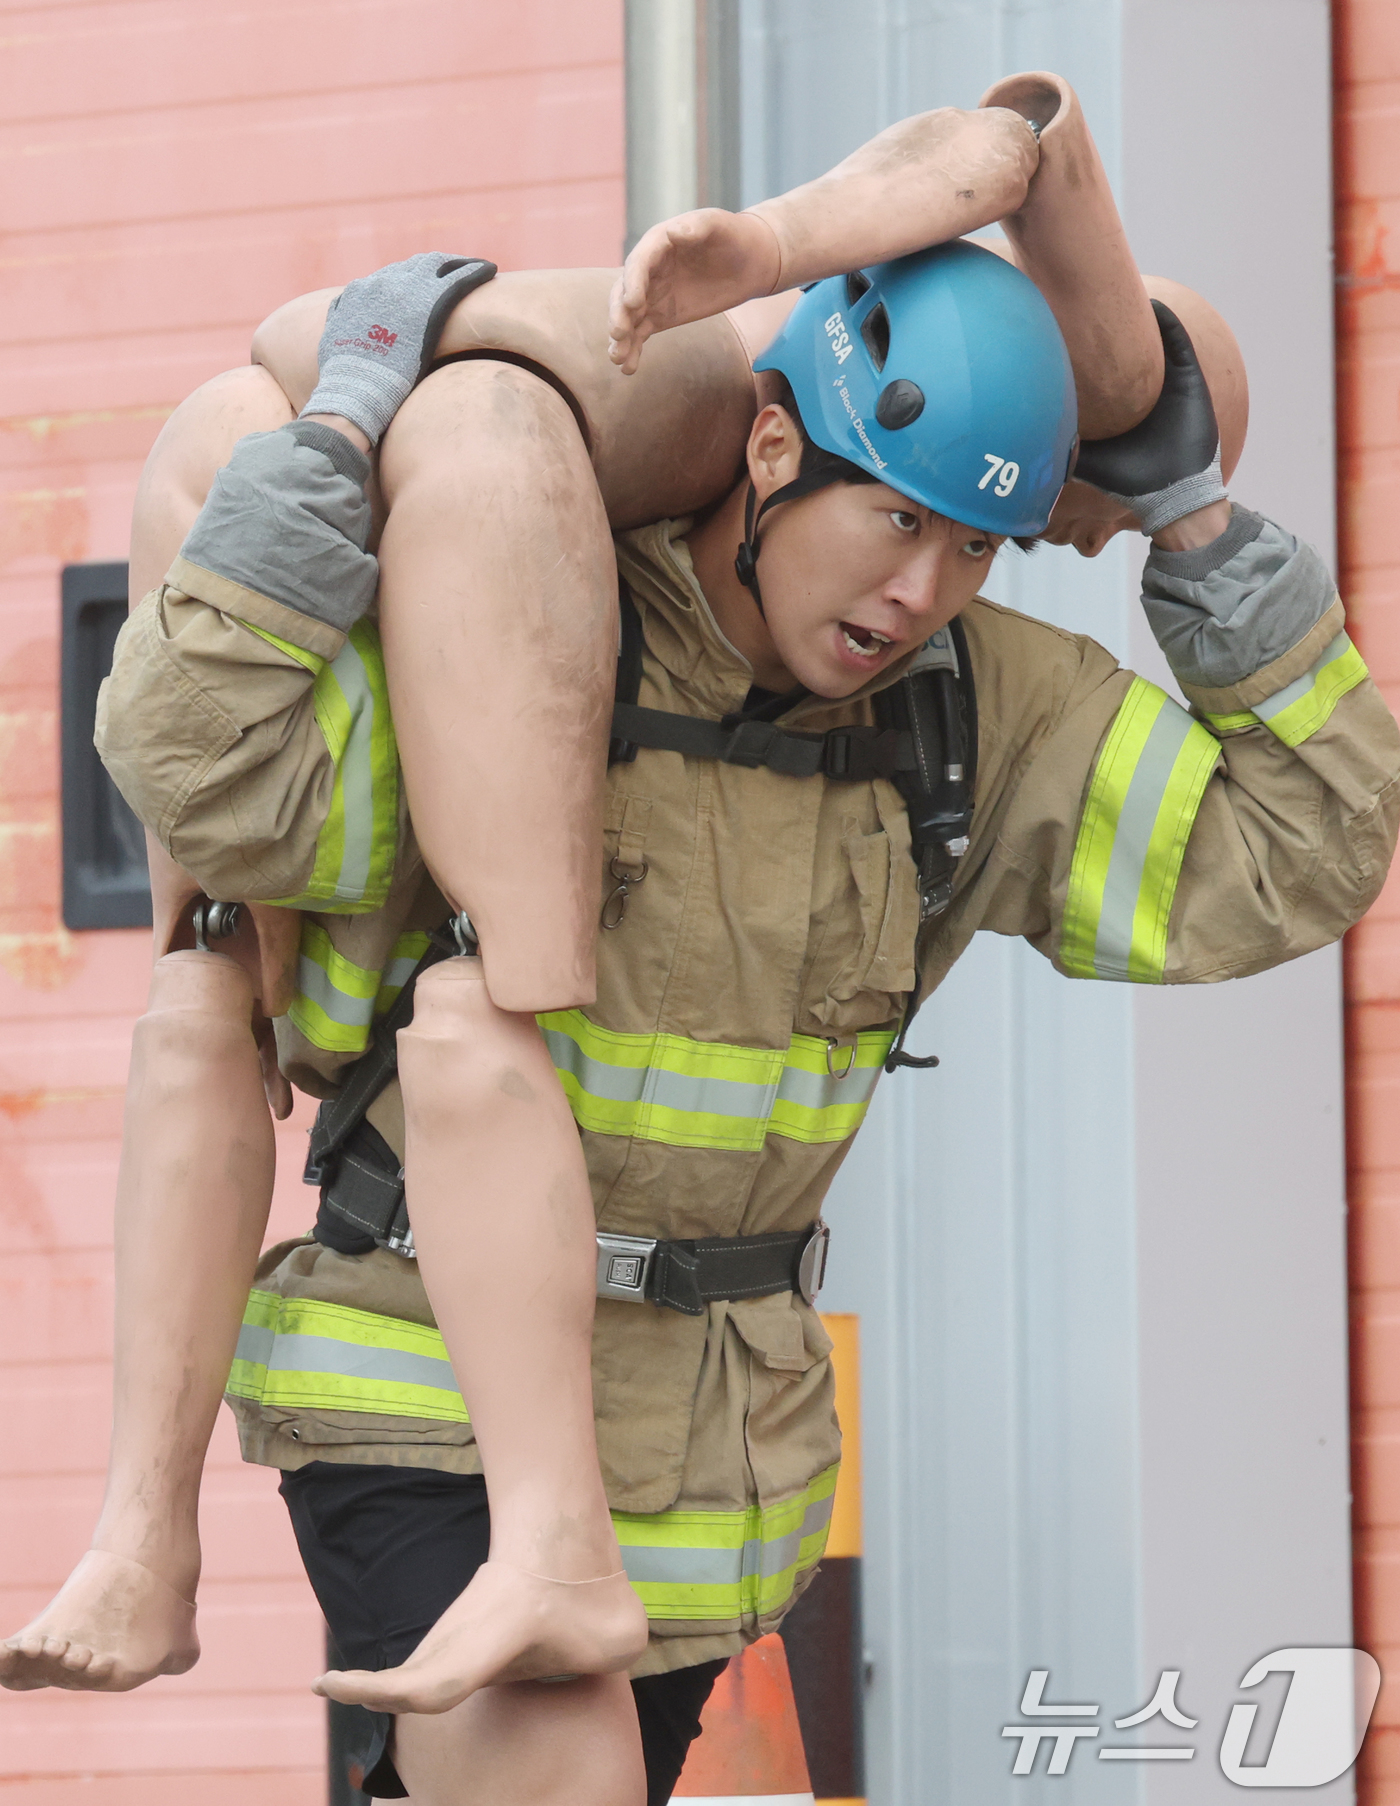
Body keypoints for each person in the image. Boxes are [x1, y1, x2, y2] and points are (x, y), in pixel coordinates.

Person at [8, 68, 1395, 1806]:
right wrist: (330, 448)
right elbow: (201, 773)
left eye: (973, 549)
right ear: (773, 449)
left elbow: (1309, 844)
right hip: (424, 1398)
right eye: (896, 519)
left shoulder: (979, 717)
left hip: (720, 1473)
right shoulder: (523, 632)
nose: (920, 593)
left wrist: (1189, 516)